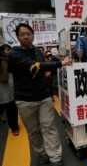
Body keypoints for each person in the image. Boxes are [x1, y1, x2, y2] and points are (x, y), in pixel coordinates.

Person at [8, 23, 73, 166]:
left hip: (43, 96)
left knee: (48, 126)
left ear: (33, 35)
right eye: (22, 34)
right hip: (24, 99)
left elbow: (44, 64)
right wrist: (60, 63)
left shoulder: (37, 50)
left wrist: (56, 59)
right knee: (33, 130)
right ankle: (42, 152)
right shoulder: (14, 53)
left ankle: (55, 157)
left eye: (28, 33)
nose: (26, 36)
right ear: (18, 37)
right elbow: (35, 67)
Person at [0, 44, 19, 135]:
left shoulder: (13, 60)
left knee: (14, 107)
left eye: (9, 50)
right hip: (4, 86)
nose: (9, 52)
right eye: (7, 50)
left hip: (14, 85)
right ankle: (14, 127)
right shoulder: (1, 60)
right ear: (2, 51)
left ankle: (15, 124)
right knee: (9, 107)